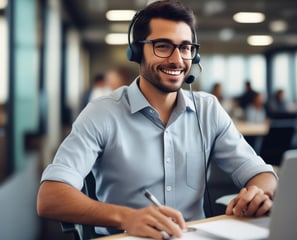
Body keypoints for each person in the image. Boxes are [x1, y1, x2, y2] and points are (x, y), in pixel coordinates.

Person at [37, 1, 278, 239]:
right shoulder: (102, 113)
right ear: (137, 51)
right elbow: (50, 197)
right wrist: (127, 217)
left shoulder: (208, 109)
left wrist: (257, 192)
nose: (177, 59)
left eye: (185, 48)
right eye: (163, 46)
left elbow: (262, 174)